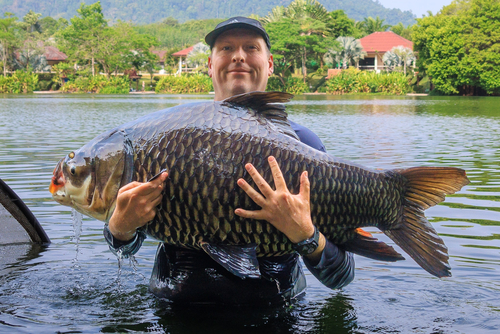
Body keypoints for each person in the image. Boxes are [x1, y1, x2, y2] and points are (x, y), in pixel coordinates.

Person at [103, 17, 354, 306]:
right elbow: (126, 246)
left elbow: (341, 277)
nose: (238, 56)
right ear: (210, 64)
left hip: (276, 314)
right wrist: (120, 228)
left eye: (250, 47)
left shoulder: (304, 145)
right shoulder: (164, 137)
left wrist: (305, 235)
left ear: (269, 63)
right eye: (226, 48)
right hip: (175, 310)